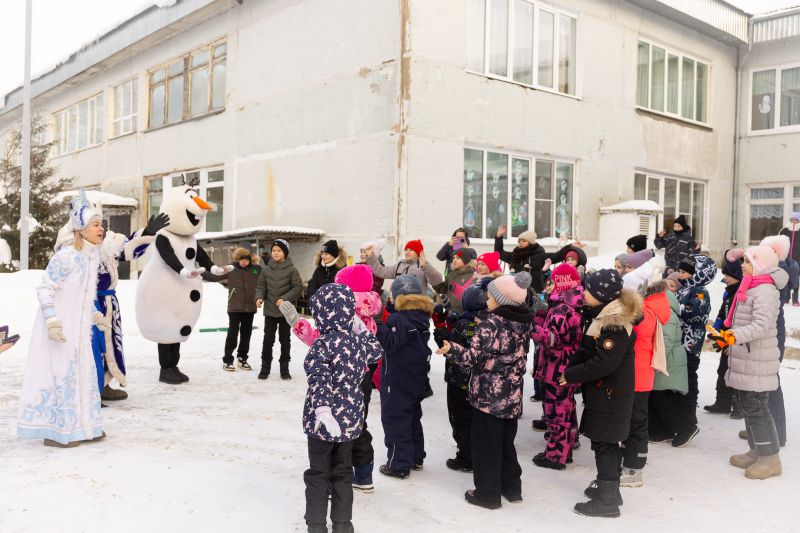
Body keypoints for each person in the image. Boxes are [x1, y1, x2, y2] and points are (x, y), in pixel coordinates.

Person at [281, 264, 385, 492]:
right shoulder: (366, 312)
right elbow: (373, 349)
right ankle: (364, 474)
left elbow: (319, 340)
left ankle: (331, 481)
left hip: (334, 377)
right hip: (360, 378)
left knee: (332, 428)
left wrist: (296, 323)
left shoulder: (340, 310)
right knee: (357, 424)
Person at [437, 272, 534, 510]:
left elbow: (472, 358)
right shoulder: (522, 323)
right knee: (505, 443)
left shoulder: (490, 326)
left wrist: (451, 349)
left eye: (489, 296)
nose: (486, 299)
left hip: (488, 398)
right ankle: (512, 487)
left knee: (485, 446)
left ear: (501, 300)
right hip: (512, 396)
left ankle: (487, 494)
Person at [18, 191, 106, 448]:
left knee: (83, 374)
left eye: (101, 224)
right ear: (82, 230)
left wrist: (94, 315)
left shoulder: (91, 258)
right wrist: (52, 321)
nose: (101, 229)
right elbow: (45, 288)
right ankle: (57, 432)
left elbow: (83, 295)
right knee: (61, 374)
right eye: (96, 224)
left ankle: (86, 426)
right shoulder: (66, 256)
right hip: (59, 329)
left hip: (80, 332)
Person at [302, 283, 383, 533]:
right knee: (343, 474)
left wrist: (323, 410)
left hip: (322, 424)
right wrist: (360, 329)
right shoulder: (357, 342)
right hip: (348, 422)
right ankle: (342, 525)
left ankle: (316, 526)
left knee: (318, 474)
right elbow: (376, 351)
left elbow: (319, 379)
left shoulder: (322, 345)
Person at [561, 269, 641, 518]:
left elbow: (605, 363)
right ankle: (610, 491)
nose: (584, 293)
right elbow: (588, 350)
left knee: (605, 444)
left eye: (588, 289)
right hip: (605, 393)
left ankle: (607, 502)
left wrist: (573, 375)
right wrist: (570, 370)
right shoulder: (602, 315)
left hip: (610, 395)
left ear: (601, 294)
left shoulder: (613, 323)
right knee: (604, 442)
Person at [718, 239, 788, 480]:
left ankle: (770, 458)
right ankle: (756, 449)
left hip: (758, 358)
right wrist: (726, 336)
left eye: (747, 261)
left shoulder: (765, 290)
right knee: (747, 404)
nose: (743, 265)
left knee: (756, 407)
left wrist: (734, 336)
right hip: (747, 356)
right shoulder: (751, 285)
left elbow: (761, 325)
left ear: (760, 265)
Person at [375, 275, 433, 479]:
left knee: (395, 419)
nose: (389, 297)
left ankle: (398, 464)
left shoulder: (398, 319)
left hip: (397, 378)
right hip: (415, 378)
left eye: (391, 294)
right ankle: (416, 457)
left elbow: (391, 344)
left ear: (399, 296)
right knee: (412, 417)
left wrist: (377, 326)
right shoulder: (420, 317)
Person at [530, 265, 584, 471]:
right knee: (566, 408)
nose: (548, 286)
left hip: (557, 368)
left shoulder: (562, 309)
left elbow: (553, 338)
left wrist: (531, 328)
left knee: (556, 412)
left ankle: (555, 456)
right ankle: (564, 451)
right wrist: (540, 316)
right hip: (565, 367)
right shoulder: (567, 304)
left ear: (562, 283)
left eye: (552, 282)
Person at [619, 256, 667, 488]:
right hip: (634, 373)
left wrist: (633, 313)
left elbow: (643, 330)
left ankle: (634, 469)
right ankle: (628, 458)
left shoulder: (646, 310)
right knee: (631, 420)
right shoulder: (648, 305)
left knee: (637, 422)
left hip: (638, 375)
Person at [441, 284, 490, 473]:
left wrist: (445, 332)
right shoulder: (489, 322)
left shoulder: (463, 324)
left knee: (460, 419)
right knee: (474, 419)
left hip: (459, 379)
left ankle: (465, 457)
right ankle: (476, 452)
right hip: (479, 381)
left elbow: (451, 348)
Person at [674, 254, 715, 446]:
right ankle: (681, 419)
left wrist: (672, 306)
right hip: (680, 343)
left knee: (689, 381)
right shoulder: (685, 288)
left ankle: (689, 421)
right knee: (681, 381)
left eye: (684, 272)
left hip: (690, 345)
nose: (680, 275)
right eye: (680, 271)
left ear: (697, 274)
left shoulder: (699, 291)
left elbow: (693, 312)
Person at [207, 247, 262, 371]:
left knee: (246, 335)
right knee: (233, 334)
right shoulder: (231, 268)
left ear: (250, 259)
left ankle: (242, 358)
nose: (244, 261)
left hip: (250, 307)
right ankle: (227, 360)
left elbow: (268, 276)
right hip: (235, 307)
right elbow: (214, 276)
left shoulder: (256, 269)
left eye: (246, 259)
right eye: (241, 259)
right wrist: (200, 273)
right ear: (238, 259)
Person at [647, 281, 689, 443]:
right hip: (666, 360)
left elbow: (666, 340)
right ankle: (662, 431)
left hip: (669, 361)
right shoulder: (662, 308)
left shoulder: (666, 312)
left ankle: (687, 428)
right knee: (657, 397)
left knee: (665, 399)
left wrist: (655, 361)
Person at [255, 239, 303, 380]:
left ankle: (284, 369)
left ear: (285, 253)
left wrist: (284, 299)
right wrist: (259, 297)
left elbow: (297, 288)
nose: (275, 253)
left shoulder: (292, 270)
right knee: (268, 340)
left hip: (285, 312)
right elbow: (261, 287)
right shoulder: (266, 270)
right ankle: (265, 368)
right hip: (270, 311)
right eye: (274, 250)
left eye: (279, 251)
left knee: (285, 340)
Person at [703, 250, 744, 416]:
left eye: (727, 274)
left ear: (737, 276)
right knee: (723, 371)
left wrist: (733, 343)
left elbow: (741, 322)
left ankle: (740, 407)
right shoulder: (729, 292)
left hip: (736, 341)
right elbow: (722, 315)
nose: (724, 277)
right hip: (726, 338)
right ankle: (723, 403)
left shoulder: (741, 294)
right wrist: (716, 333)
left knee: (737, 374)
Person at [366, 239, 443, 293]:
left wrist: (426, 266)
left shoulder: (424, 266)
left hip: (417, 306)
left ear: (418, 252)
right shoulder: (399, 264)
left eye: (411, 250)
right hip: (399, 306)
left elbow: (437, 281)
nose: (407, 252)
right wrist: (371, 256)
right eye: (406, 250)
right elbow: (381, 271)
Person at [494, 225, 547, 292]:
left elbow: (545, 272)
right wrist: (499, 237)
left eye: (524, 241)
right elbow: (499, 253)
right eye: (519, 241)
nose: (521, 242)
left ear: (530, 242)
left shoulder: (539, 255)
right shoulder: (515, 255)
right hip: (518, 291)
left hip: (535, 291)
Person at [435, 248, 477, 313]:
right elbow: (442, 292)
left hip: (462, 314)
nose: (454, 260)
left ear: (466, 260)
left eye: (458, 258)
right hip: (446, 313)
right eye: (454, 258)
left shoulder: (472, 276)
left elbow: (467, 299)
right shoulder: (451, 274)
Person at [779, 212, 799, 306]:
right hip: (785, 258)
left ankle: (795, 299)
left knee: (795, 279)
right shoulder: (784, 230)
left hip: (797, 259)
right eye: (792, 219)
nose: (794, 221)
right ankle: (786, 298)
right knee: (785, 277)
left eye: (796, 220)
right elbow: (779, 243)